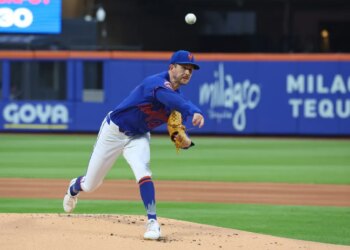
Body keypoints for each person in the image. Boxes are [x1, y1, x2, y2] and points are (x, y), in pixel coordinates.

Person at [63, 50, 205, 240]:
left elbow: (177, 119)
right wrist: (193, 110)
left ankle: (153, 222)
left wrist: (185, 142)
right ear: (171, 67)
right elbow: (172, 99)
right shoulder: (155, 84)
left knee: (143, 172)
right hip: (113, 132)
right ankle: (74, 187)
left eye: (191, 69)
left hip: (138, 136)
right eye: (184, 67)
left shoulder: (176, 102)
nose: (188, 72)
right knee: (90, 185)